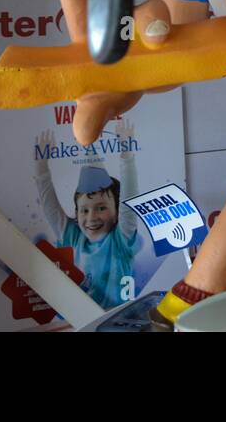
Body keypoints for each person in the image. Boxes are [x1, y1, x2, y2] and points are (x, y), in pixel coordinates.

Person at [33, 117, 140, 310]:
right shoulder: (73, 238)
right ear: (76, 213)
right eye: (84, 210)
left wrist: (126, 155)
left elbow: (130, 200)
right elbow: (50, 207)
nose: (91, 217)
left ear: (116, 212)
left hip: (118, 321)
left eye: (101, 207)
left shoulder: (120, 240)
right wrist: (41, 166)